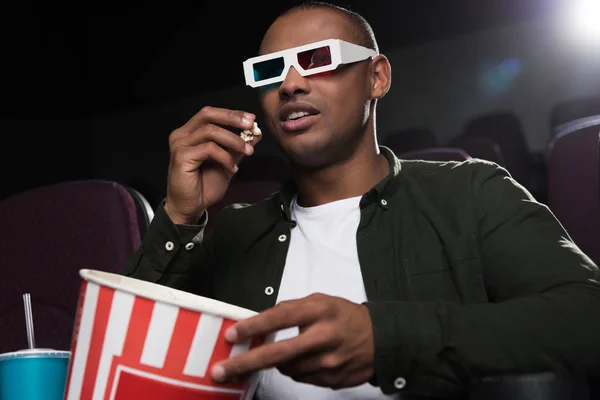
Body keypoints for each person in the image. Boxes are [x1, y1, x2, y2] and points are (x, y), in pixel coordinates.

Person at [123, 2, 600, 399]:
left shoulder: (471, 193)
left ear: (377, 76)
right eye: (270, 71)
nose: (290, 84)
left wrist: (391, 338)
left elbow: (586, 318)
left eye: (317, 58)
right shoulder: (234, 232)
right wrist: (181, 216)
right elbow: (124, 362)